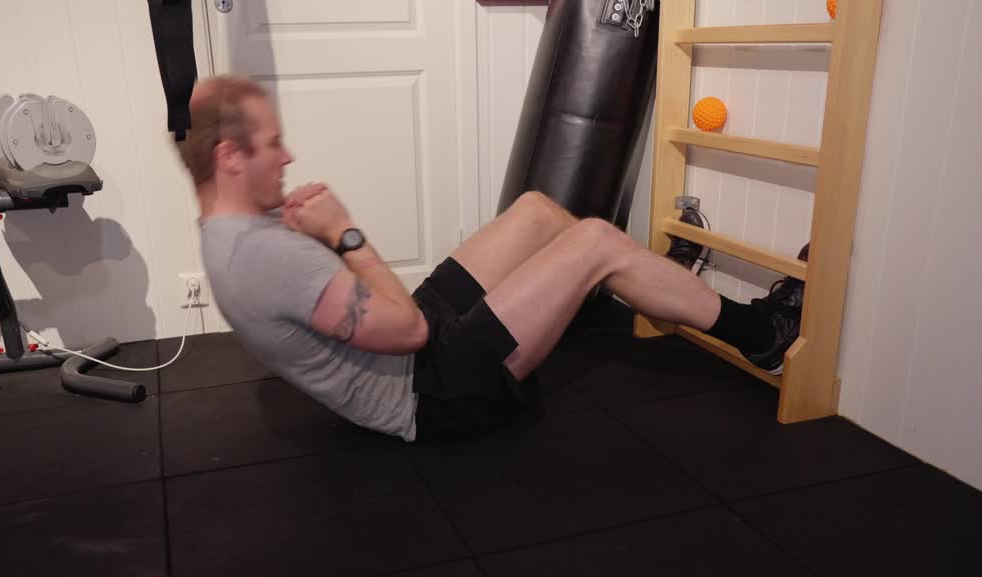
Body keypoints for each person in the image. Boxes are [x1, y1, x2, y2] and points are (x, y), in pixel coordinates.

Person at [178, 76, 802, 443]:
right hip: (436, 391)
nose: (287, 158)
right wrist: (343, 231)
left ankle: (656, 285)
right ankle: (762, 335)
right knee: (596, 241)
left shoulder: (231, 228)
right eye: (273, 143)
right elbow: (413, 331)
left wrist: (318, 240)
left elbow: (330, 305)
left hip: (409, 348)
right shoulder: (263, 257)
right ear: (231, 157)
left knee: (536, 210)